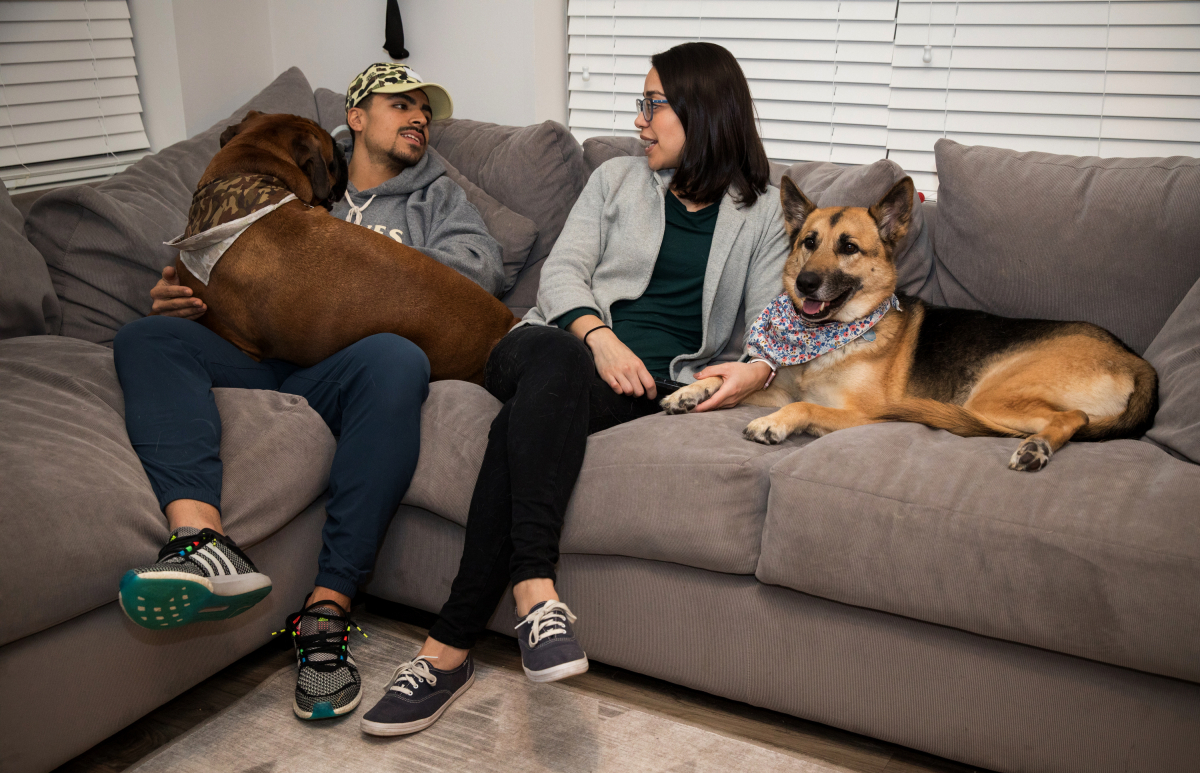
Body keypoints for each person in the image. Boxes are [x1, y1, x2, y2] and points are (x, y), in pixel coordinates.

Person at [359, 41, 790, 736]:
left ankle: (444, 652)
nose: (641, 121)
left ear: (704, 111)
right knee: (555, 364)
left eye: (654, 105)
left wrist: (757, 368)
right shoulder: (616, 179)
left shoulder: (762, 210)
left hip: (643, 385)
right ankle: (535, 592)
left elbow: (771, 319)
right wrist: (600, 337)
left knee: (517, 435)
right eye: (640, 105)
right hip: (541, 344)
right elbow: (562, 275)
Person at [112, 63, 503, 722]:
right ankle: (201, 543)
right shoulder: (287, 172)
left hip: (345, 365)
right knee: (144, 339)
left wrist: (353, 268)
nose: (418, 118)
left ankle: (326, 615)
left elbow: (477, 274)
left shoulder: (436, 197)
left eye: (425, 112)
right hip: (255, 352)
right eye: (400, 104)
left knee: (397, 359)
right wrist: (184, 296)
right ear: (355, 117)